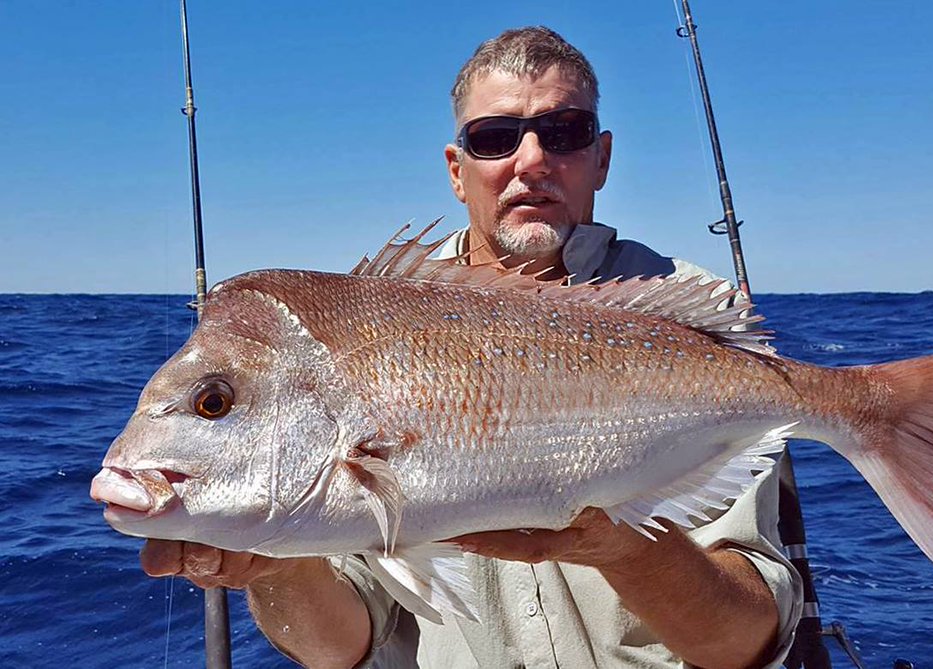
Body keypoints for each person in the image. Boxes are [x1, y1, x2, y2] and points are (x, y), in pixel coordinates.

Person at [140, 26, 803, 669]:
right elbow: (339, 647)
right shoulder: (356, 327)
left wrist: (621, 547)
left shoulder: (693, 314)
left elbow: (741, 641)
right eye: (495, 138)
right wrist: (270, 563)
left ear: (601, 156)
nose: (532, 160)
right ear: (458, 171)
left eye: (564, 131)